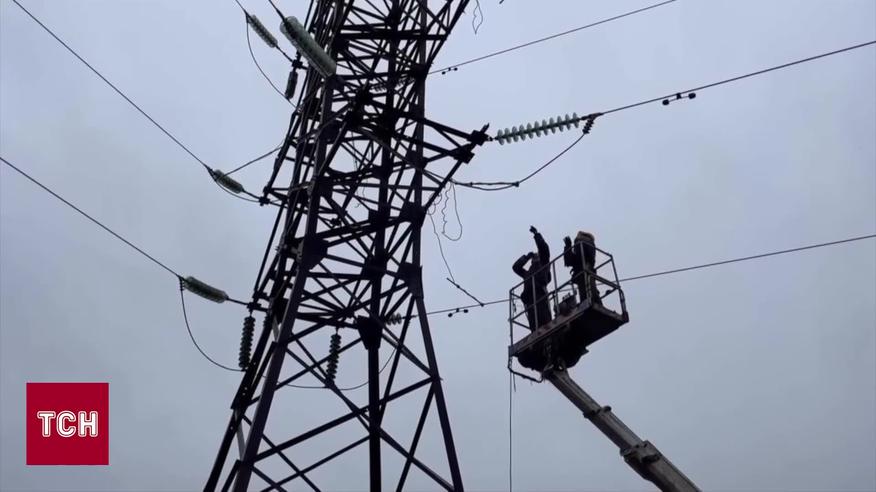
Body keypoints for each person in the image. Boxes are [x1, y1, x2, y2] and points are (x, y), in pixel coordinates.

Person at [513, 226, 552, 330]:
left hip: (540, 296)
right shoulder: (527, 273)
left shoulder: (544, 264)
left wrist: (536, 234)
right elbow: (516, 267)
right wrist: (526, 257)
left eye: (537, 254)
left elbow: (544, 249)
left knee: (544, 322)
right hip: (529, 300)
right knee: (534, 326)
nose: (535, 255)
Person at [563, 231, 602, 306]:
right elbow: (570, 261)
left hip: (586, 272)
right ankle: (594, 303)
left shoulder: (584, 243)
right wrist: (568, 247)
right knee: (588, 294)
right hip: (582, 273)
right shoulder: (586, 244)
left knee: (589, 293)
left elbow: (573, 260)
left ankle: (594, 303)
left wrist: (570, 247)